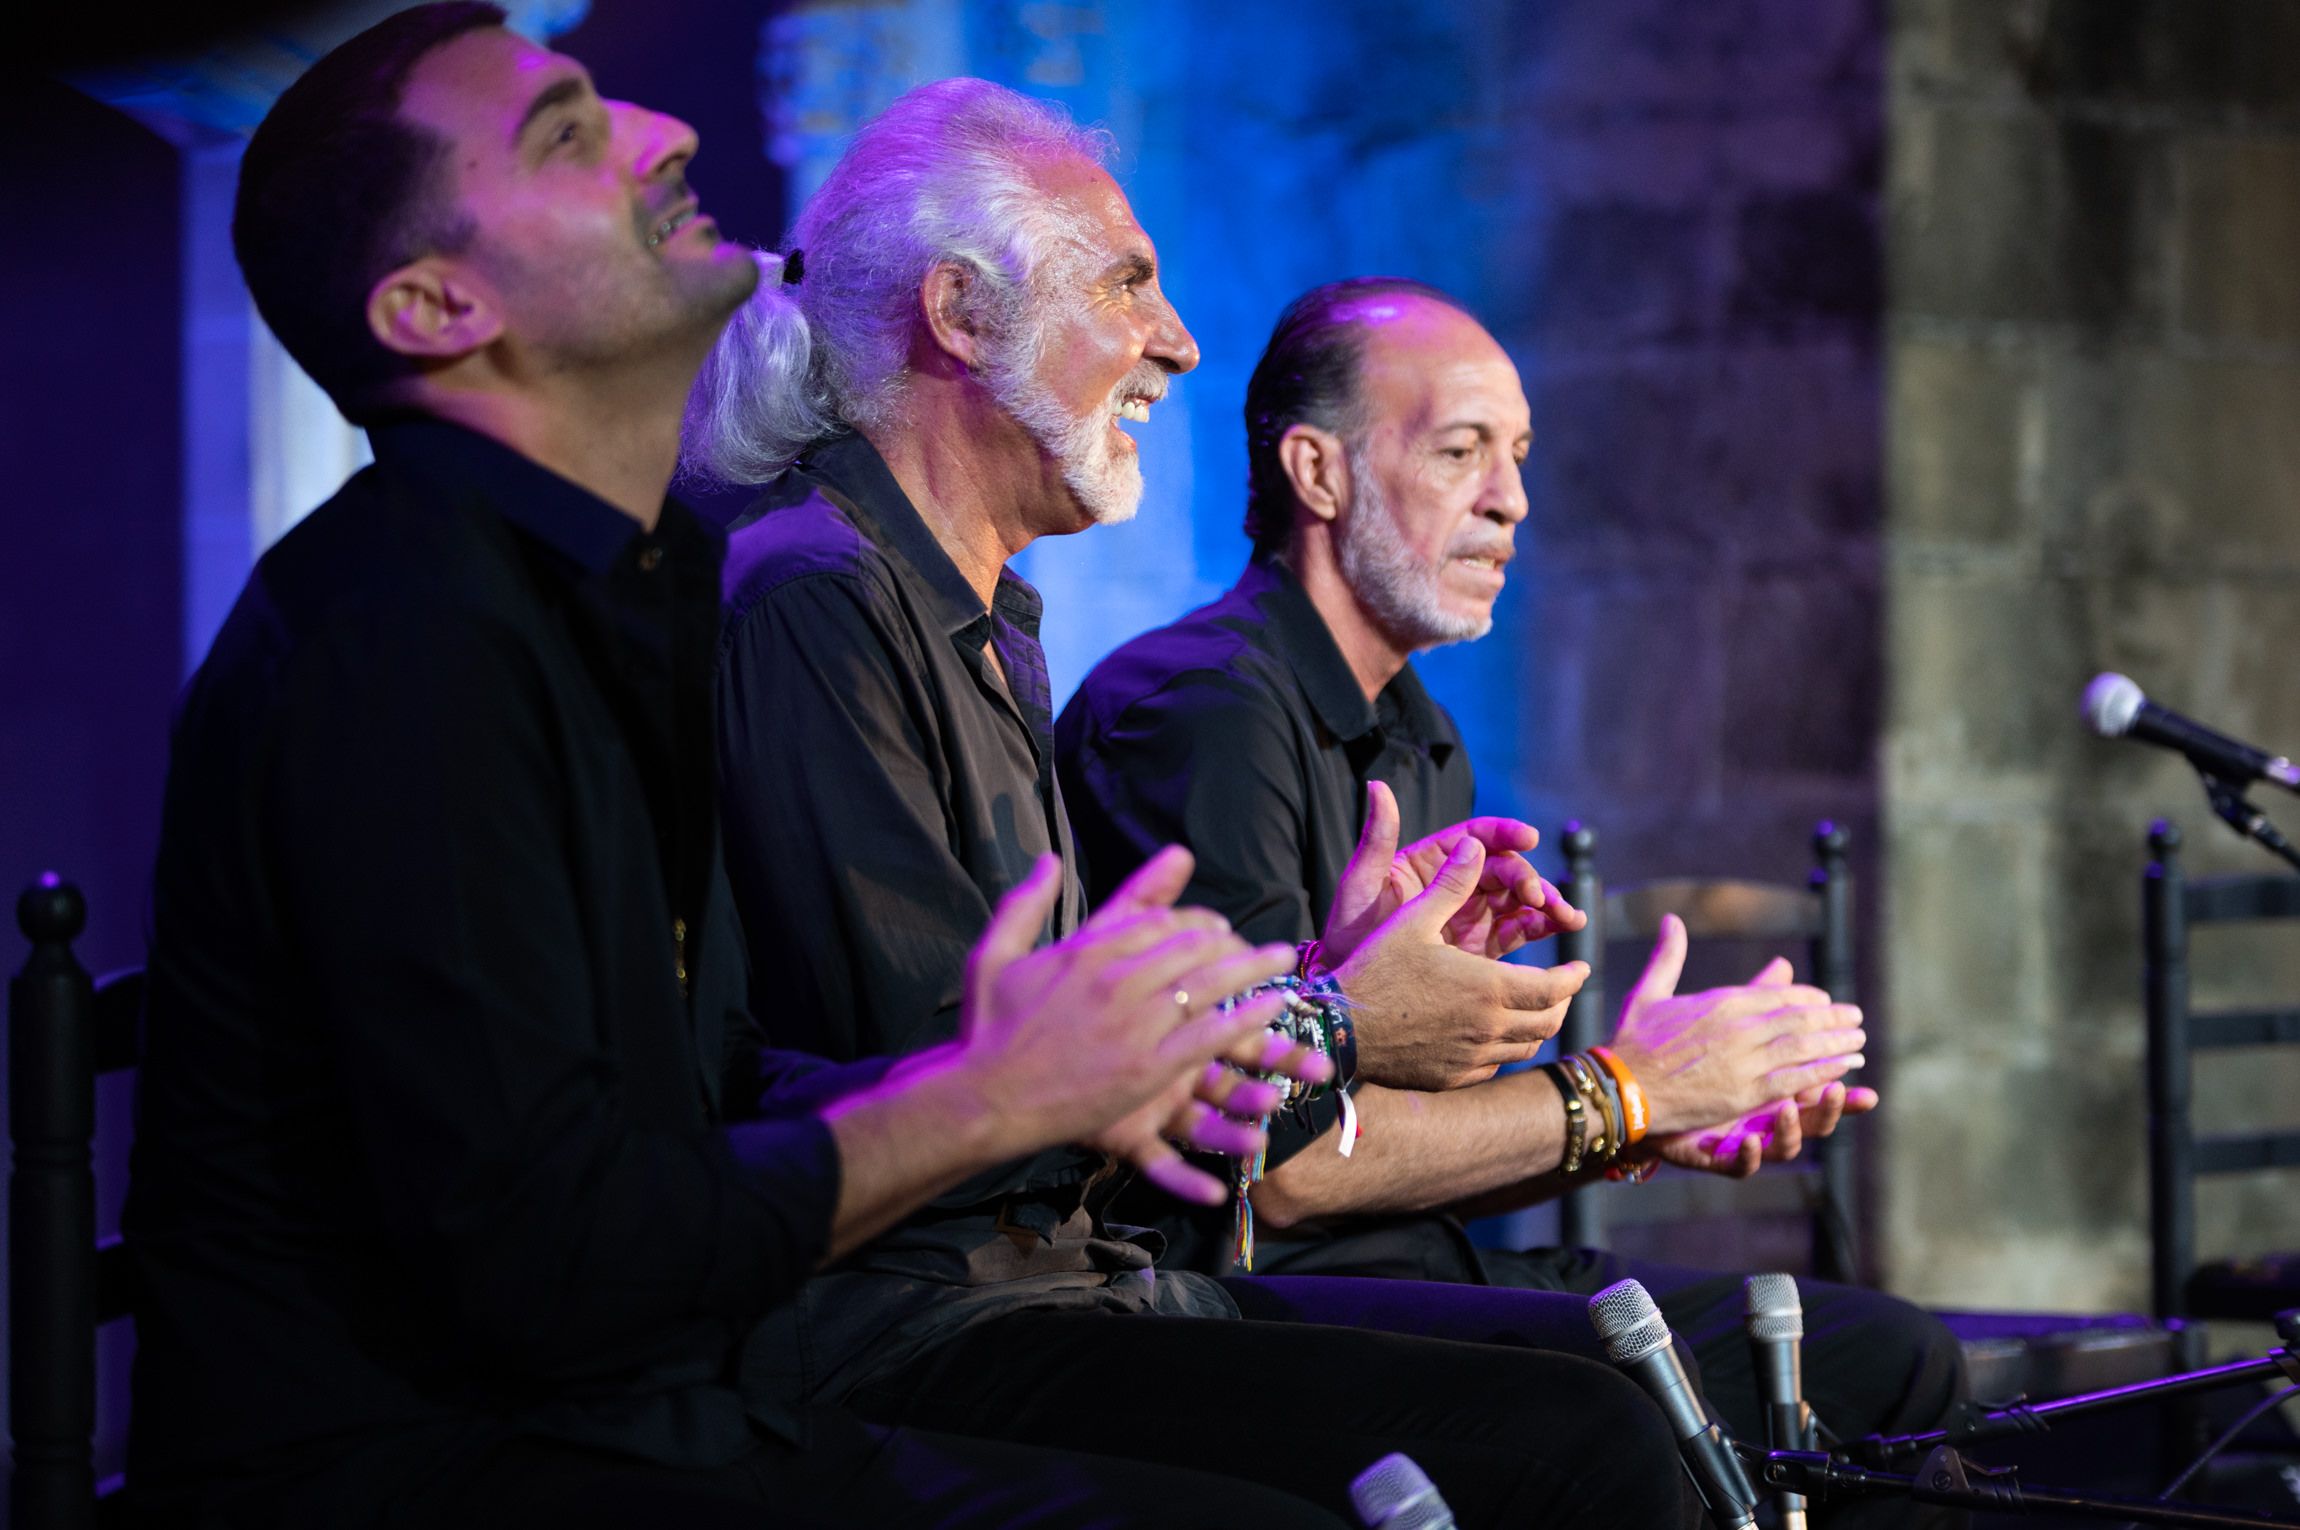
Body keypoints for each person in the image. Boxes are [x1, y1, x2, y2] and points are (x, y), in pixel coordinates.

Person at [123, 9, 1351, 1527]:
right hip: (448, 1472)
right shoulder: (405, 632)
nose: (668, 134)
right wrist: (996, 1091)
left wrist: (1126, 1053)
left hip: (649, 1419)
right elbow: (556, 1264)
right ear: (439, 303)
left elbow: (697, 1096)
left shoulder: (615, 591)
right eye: (567, 135)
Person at [690, 77, 1710, 1529]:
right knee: (1572, 1443)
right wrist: (1343, 1019)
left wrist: (1321, 982)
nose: (1175, 340)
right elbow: (963, 1078)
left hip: (1082, 1289)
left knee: (1617, 1411)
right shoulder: (813, 595)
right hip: (918, 1328)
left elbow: (1094, 1064)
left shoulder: (986, 618)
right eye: (1126, 283)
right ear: (962, 316)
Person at [1057, 277, 1971, 1526]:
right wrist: (1618, 1098)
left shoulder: (1417, 733)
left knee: (1889, 1359)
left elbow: (1392, 1138)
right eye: (1459, 451)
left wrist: (1647, 1120)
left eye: (1519, 456)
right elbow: (1276, 1171)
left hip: (1412, 1260)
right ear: (1315, 473)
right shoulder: (1200, 712)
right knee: (1651, 1408)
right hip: (1241, 1302)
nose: (1511, 499)